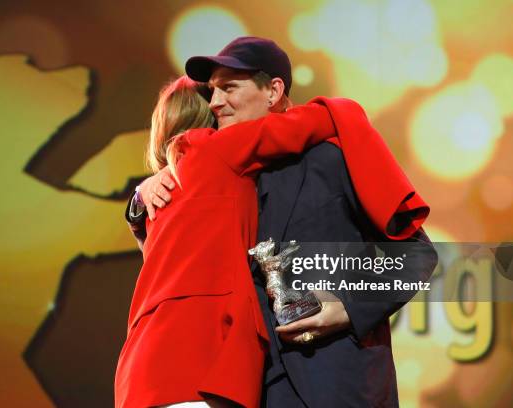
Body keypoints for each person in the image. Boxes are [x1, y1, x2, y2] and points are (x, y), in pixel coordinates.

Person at [129, 37, 438, 407]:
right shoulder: (219, 175)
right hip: (254, 389)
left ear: (273, 91)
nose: (215, 103)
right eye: (212, 91)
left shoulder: (329, 159)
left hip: (340, 384)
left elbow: (416, 255)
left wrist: (346, 306)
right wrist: (140, 197)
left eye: (228, 88)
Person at [114, 75, 338, 407]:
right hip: (198, 365)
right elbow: (314, 122)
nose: (223, 102)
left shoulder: (154, 200)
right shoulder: (215, 149)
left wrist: (136, 201)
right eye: (218, 97)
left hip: (141, 372)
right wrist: (342, 108)